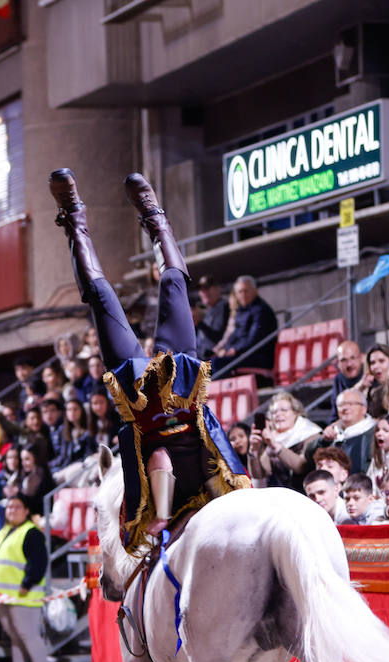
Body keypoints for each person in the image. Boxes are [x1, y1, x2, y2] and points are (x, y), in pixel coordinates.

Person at [49, 168, 249, 553]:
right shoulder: (216, 494)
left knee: (102, 297)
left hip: (143, 403)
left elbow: (158, 459)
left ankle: (73, 218)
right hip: (181, 387)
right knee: (174, 285)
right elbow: (221, 475)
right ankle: (155, 218)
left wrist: (160, 518)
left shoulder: (160, 518)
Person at [0, 494, 53, 662]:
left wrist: (27, 582)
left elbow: (39, 562)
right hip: (3, 596)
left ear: (26, 510)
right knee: (14, 636)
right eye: (9, 507)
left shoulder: (31, 532)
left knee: (28, 634)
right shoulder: (4, 532)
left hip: (23, 596)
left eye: (16, 507)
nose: (11, 510)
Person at [211, 275, 278, 374]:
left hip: (259, 356)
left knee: (216, 364)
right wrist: (225, 350)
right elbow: (235, 335)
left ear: (255, 291)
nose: (243, 295)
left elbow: (254, 339)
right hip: (243, 354)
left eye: (246, 291)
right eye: (240, 292)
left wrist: (234, 350)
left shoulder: (261, 310)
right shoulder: (241, 311)